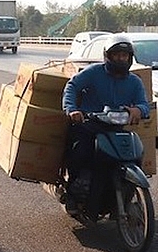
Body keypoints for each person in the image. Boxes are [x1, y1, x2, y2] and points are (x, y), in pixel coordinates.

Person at [61, 34, 150, 216]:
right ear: (107, 56)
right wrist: (72, 109)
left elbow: (143, 104)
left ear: (130, 58)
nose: (121, 59)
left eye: (124, 56)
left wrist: (138, 111)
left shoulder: (134, 82)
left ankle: (126, 192)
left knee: (135, 154)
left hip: (117, 128)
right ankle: (72, 193)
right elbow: (72, 86)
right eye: (117, 55)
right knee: (82, 151)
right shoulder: (94, 72)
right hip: (89, 125)